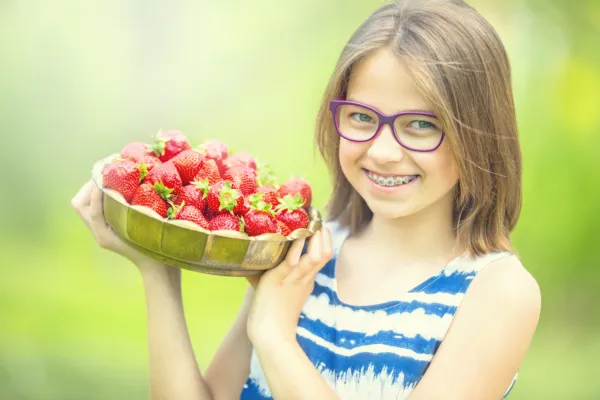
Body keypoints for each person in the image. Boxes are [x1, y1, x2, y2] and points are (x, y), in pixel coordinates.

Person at [71, 0, 542, 398]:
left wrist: (275, 338)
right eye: (361, 117)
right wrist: (157, 267)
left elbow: (273, 337)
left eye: (421, 125)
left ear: (479, 136)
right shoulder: (301, 252)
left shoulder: (497, 292)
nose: (382, 151)